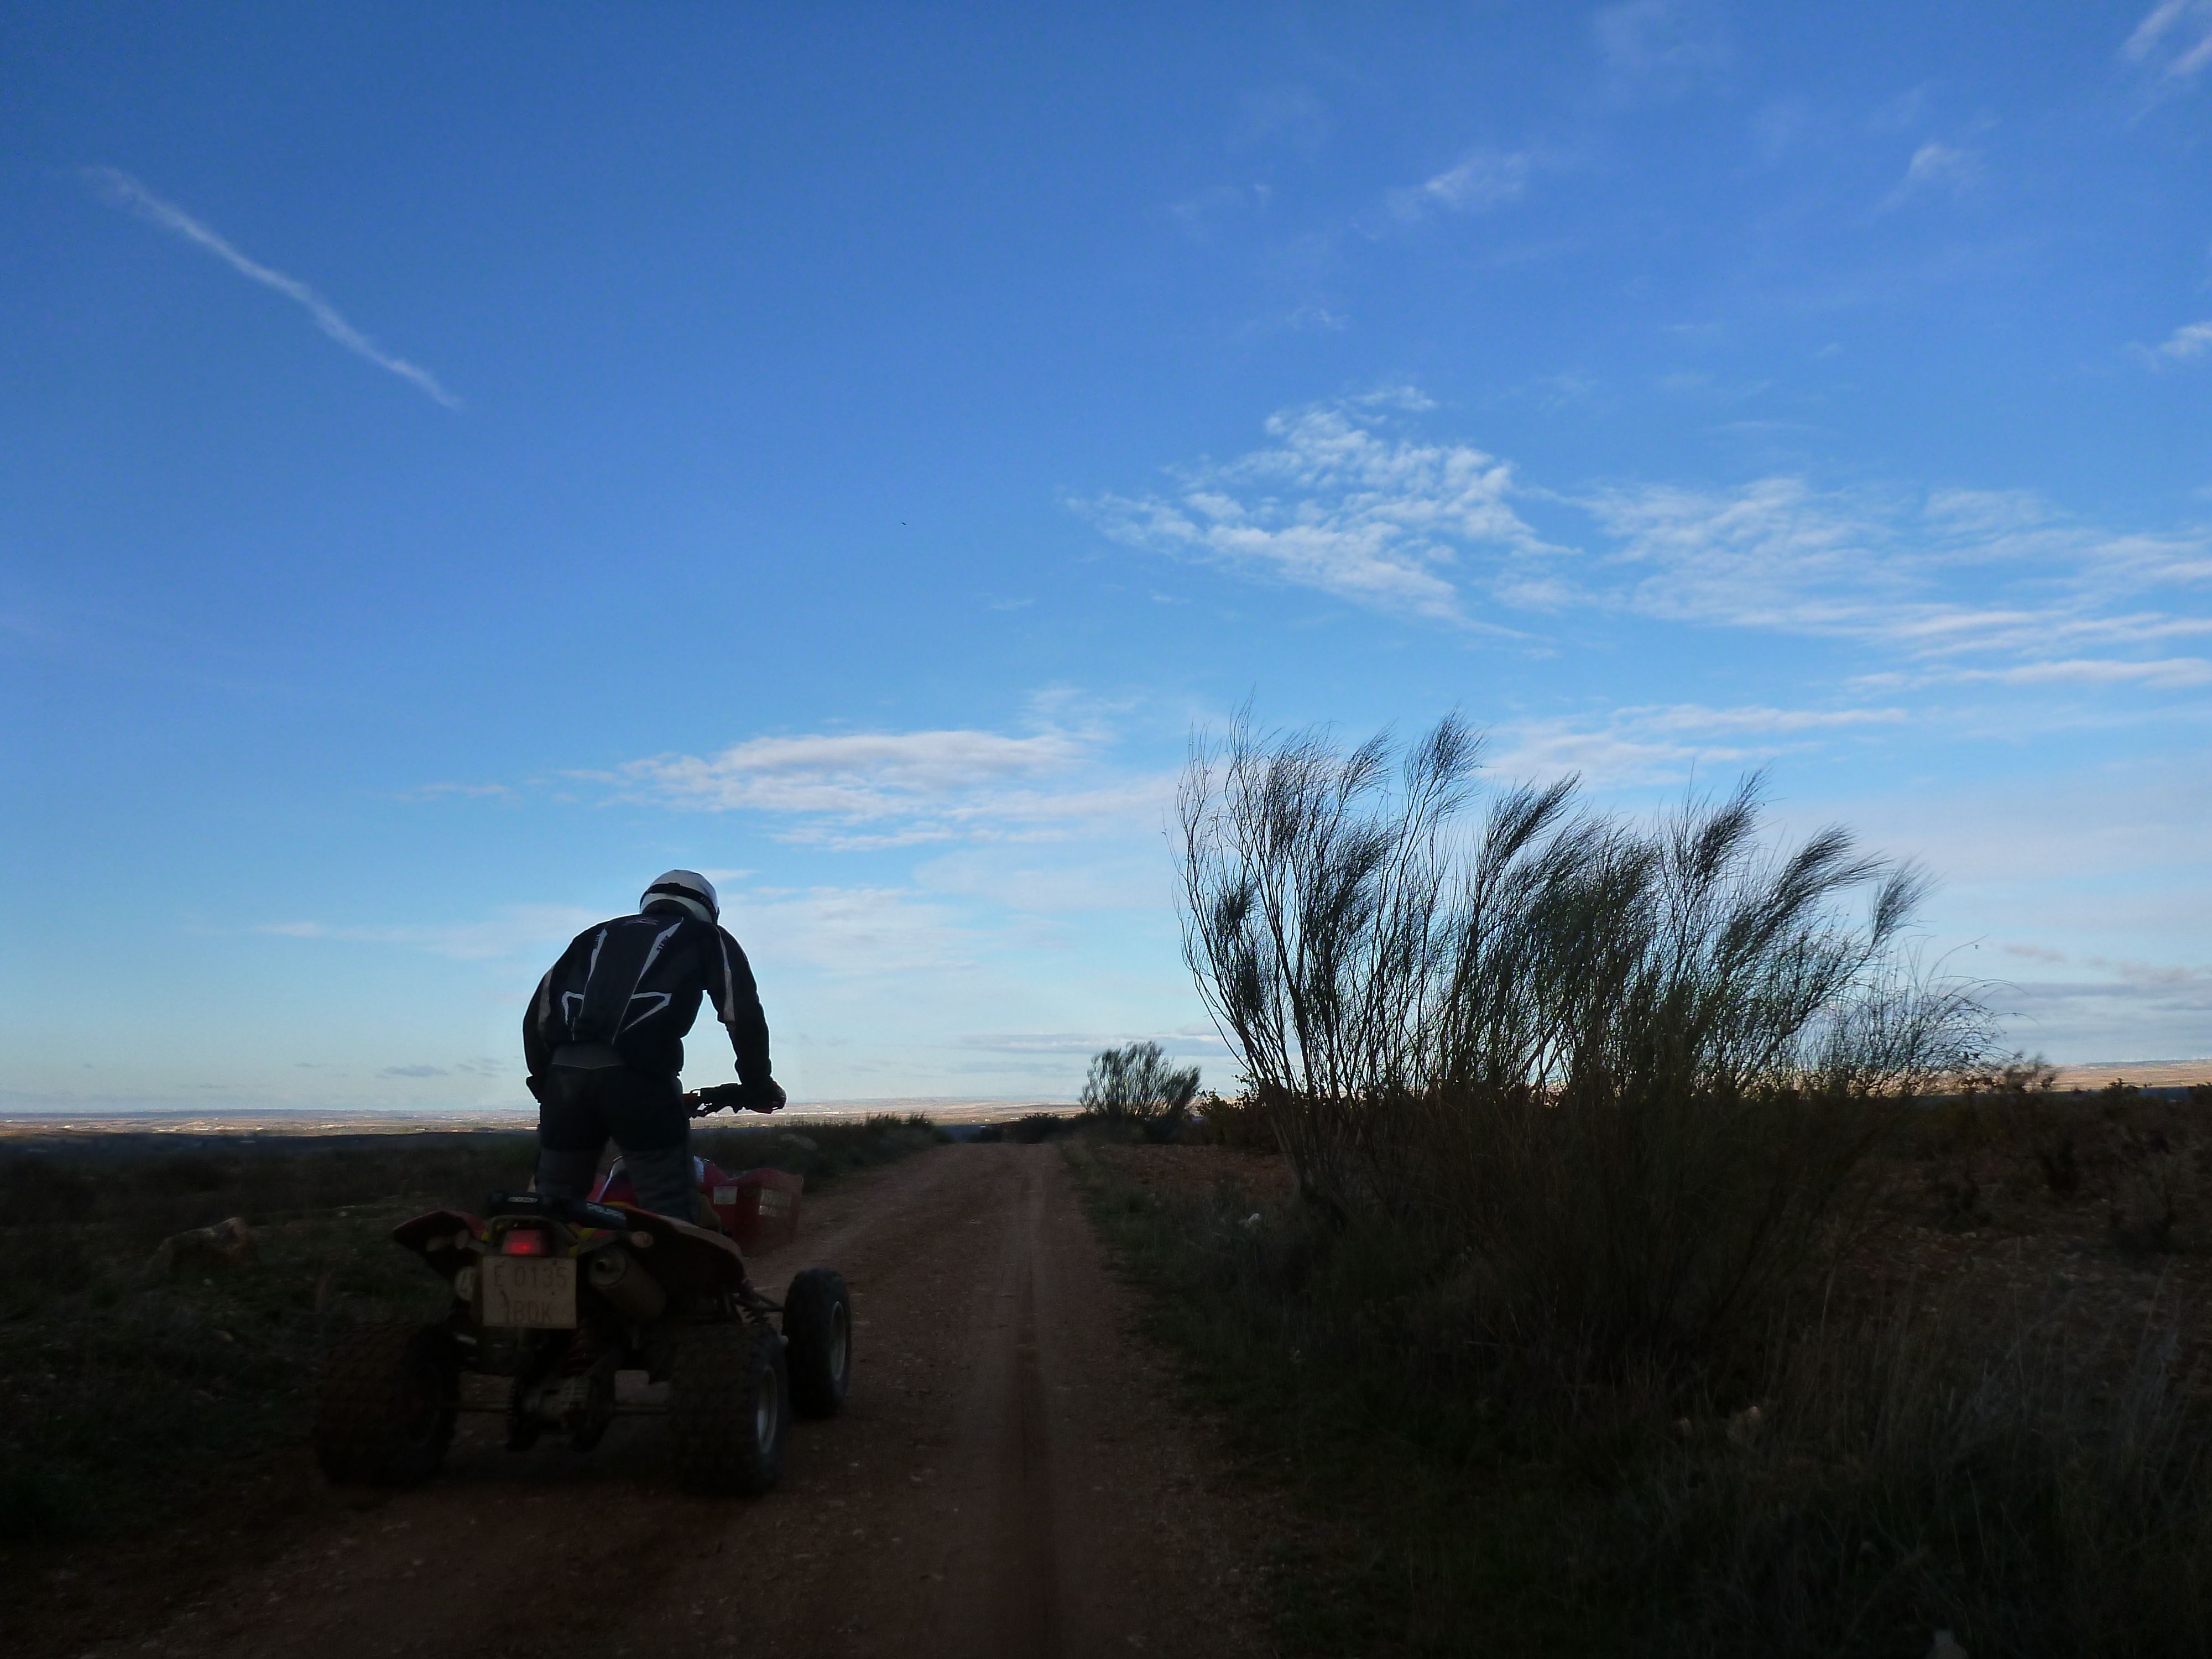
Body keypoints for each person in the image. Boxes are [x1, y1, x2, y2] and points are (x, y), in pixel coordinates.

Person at [524, 870, 785, 1218]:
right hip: (640, 1081)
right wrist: (757, 1085)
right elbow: (742, 1014)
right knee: (667, 1210)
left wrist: (546, 1082)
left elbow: (538, 1017)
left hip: (564, 1081)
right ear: (707, 907)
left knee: (554, 1206)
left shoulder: (592, 935)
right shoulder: (707, 936)